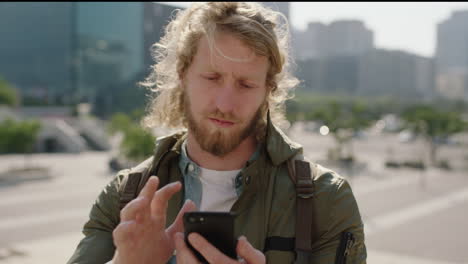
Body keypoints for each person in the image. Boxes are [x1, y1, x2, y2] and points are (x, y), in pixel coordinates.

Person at [67, 2, 366, 264]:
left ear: (267, 90)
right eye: (212, 77)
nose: (225, 104)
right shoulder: (126, 197)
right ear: (183, 75)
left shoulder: (324, 200)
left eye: (246, 85)